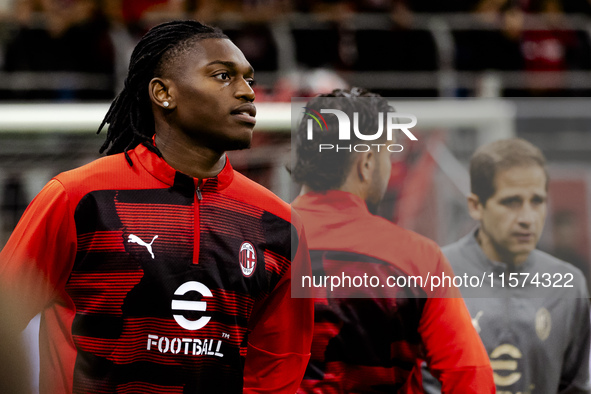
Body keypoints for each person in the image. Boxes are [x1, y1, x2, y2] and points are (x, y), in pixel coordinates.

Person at [0, 20, 313, 393]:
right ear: (163, 93)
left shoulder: (280, 225)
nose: (247, 92)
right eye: (223, 76)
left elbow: (275, 372)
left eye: (249, 79)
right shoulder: (79, 198)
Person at [291, 87, 494, 393]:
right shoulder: (417, 257)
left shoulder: (254, 239)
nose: (391, 166)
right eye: (389, 152)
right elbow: (470, 378)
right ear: (367, 162)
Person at [422, 138, 591, 393]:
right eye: (511, 202)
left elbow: (577, 386)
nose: (527, 218)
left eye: (537, 201)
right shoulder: (432, 277)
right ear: (476, 206)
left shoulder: (568, 284)